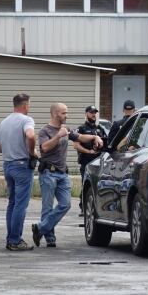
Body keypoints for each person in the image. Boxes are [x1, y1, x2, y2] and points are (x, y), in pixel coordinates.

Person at [32, 103, 103, 248]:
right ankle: (50, 238)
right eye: (64, 113)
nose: (67, 115)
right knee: (47, 207)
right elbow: (44, 148)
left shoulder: (67, 129)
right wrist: (58, 136)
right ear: (55, 114)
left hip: (62, 173)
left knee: (65, 204)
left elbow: (81, 137)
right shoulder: (45, 131)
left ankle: (40, 228)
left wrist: (94, 138)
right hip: (48, 173)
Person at [0, 93, 37, 251]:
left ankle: (10, 238)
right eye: (29, 105)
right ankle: (15, 240)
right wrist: (32, 152)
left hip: (7, 165)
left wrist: (11, 147)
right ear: (25, 105)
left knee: (12, 203)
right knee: (21, 204)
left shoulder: (3, 122)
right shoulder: (27, 120)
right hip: (21, 165)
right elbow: (31, 135)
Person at [74, 105, 107, 215]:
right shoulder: (81, 129)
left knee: (98, 186)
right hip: (86, 162)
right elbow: (76, 145)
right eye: (91, 112)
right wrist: (88, 152)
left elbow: (106, 143)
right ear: (86, 114)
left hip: (99, 163)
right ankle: (84, 207)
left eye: (95, 112)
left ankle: (97, 208)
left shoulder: (100, 129)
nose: (94, 114)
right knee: (86, 185)